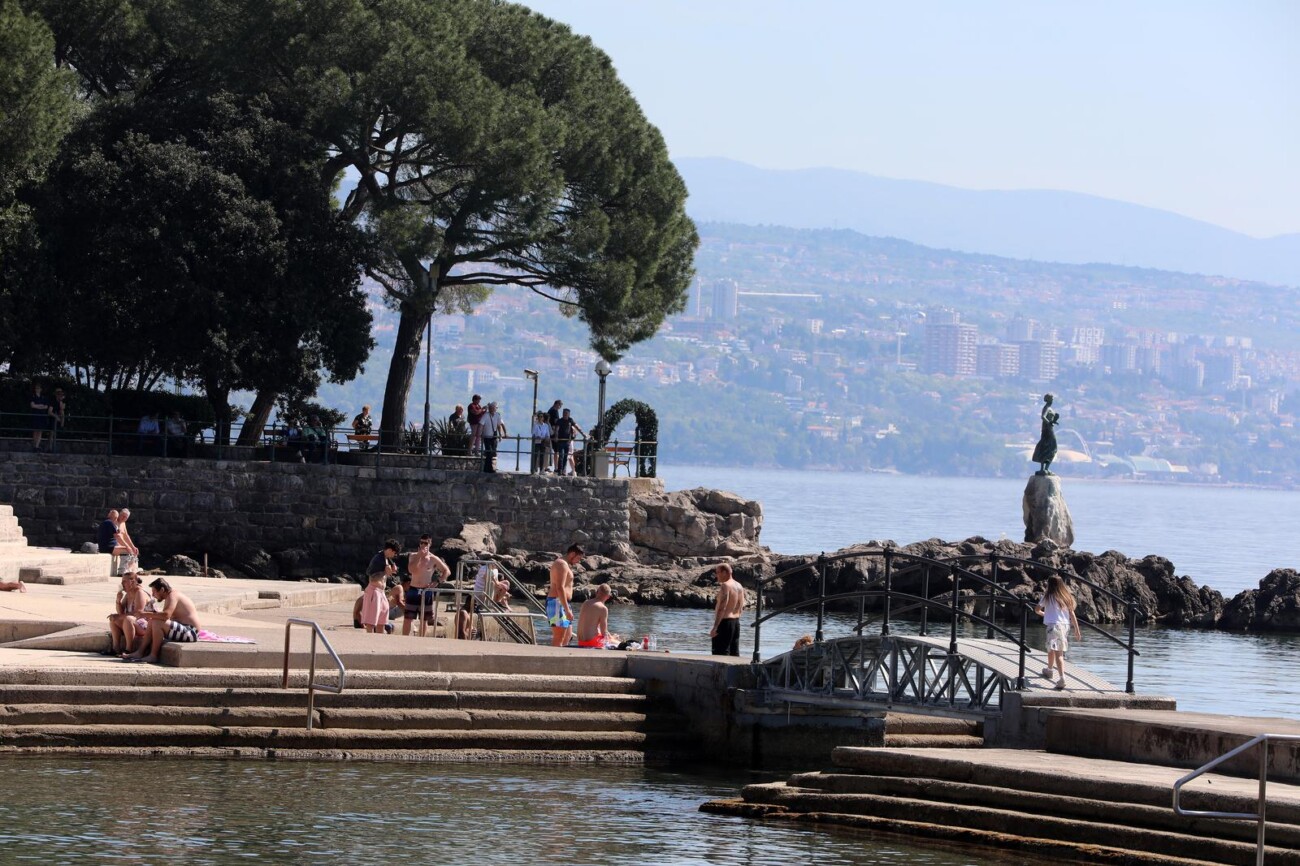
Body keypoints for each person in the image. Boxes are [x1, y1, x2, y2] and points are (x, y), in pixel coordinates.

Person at [123, 578, 201, 663]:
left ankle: (153, 656)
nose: (153, 595)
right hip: (182, 629)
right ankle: (140, 652)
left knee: (157, 622)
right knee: (153, 620)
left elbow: (166, 615)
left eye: (154, 592)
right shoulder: (169, 596)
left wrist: (143, 614)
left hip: (191, 632)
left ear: (162, 589)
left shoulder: (173, 595)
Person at [1035, 575, 1081, 690]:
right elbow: (1072, 614)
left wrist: (1045, 614)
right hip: (1064, 627)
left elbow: (1037, 609)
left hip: (1053, 627)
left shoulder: (1048, 596)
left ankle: (1062, 678)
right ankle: (1049, 669)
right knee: (1051, 648)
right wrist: (1077, 629)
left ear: (1049, 585)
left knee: (1058, 653)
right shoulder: (1066, 596)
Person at [404, 534, 450, 636]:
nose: (423, 545)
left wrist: (437, 581)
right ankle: (404, 640)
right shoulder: (413, 556)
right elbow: (412, 570)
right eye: (422, 542)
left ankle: (421, 640)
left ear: (430, 544)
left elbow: (446, 571)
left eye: (426, 543)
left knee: (424, 619)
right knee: (408, 618)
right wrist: (419, 556)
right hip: (413, 589)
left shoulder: (433, 559)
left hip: (426, 590)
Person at [357, 539, 400, 634]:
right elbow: (371, 577)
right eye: (394, 553)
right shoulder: (378, 558)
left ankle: (379, 641)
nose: (394, 556)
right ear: (390, 550)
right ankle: (370, 640)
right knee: (371, 622)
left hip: (381, 592)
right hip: (374, 591)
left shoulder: (386, 558)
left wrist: (391, 571)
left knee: (382, 621)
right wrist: (386, 572)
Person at [106, 567, 151, 656]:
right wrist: (118, 601)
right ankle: (116, 648)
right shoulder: (128, 594)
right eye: (122, 582)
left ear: (133, 581)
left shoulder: (139, 593)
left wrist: (118, 616)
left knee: (129, 619)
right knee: (113, 620)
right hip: (135, 623)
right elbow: (120, 613)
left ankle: (128, 649)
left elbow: (138, 613)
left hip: (146, 625)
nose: (122, 584)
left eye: (124, 582)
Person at [546, 544, 583, 647]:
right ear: (572, 554)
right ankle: (553, 660)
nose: (578, 561)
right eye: (578, 558)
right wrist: (567, 609)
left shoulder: (565, 564)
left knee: (567, 636)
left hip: (563, 603)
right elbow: (560, 587)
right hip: (557, 602)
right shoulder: (561, 564)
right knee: (559, 637)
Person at [709, 563, 744, 657]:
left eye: (718, 572)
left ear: (725, 572)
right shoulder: (739, 585)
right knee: (734, 653)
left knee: (720, 653)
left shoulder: (725, 586)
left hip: (725, 623)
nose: (716, 575)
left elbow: (722, 607)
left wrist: (715, 626)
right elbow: (741, 607)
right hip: (736, 623)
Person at [575, 583, 613, 648]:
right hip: (591, 642)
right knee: (616, 641)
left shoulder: (586, 603)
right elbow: (604, 632)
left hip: (580, 642)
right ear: (608, 597)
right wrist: (612, 638)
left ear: (596, 592)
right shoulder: (603, 608)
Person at [1032, 393, 1059, 475]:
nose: (1053, 399)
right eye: (1052, 398)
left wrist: (1054, 421)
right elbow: (1043, 417)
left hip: (1050, 428)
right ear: (1048, 399)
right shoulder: (1046, 408)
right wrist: (1049, 423)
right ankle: (1042, 469)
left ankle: (1046, 468)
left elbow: (1050, 418)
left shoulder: (1050, 408)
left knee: (1051, 448)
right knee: (1049, 446)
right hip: (1047, 430)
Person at [553, 408, 585, 477]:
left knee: (565, 456)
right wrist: (556, 436)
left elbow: (576, 427)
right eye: (564, 413)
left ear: (568, 414)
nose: (565, 415)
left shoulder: (570, 420)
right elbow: (556, 429)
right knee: (561, 456)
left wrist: (583, 434)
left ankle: (563, 470)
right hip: (561, 441)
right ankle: (560, 470)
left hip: (567, 441)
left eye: (566, 414)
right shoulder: (560, 421)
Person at [479, 401, 506, 473]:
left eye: (493, 408)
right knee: (489, 452)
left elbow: (499, 425)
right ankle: (489, 468)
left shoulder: (497, 415)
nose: (492, 409)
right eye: (491, 408)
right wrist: (480, 433)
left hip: (493, 437)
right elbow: (481, 424)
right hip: (487, 436)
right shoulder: (486, 415)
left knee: (491, 452)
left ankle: (486, 468)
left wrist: (501, 434)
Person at [30, 382, 54, 451]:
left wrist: (37, 406)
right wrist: (40, 406)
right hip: (35, 416)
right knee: (35, 431)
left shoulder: (44, 397)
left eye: (38, 388)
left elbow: (46, 407)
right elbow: (32, 405)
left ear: (41, 389)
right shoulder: (33, 396)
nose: (37, 389)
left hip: (42, 416)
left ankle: (37, 446)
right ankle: (34, 446)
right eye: (36, 388)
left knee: (40, 431)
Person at [50, 388, 67, 452]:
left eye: (61, 394)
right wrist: (56, 416)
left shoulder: (61, 402)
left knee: (55, 434)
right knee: (52, 434)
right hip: (53, 419)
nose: (60, 395)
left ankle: (53, 448)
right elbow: (50, 411)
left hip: (59, 420)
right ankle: (50, 448)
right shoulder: (53, 401)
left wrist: (61, 402)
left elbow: (62, 410)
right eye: (58, 394)